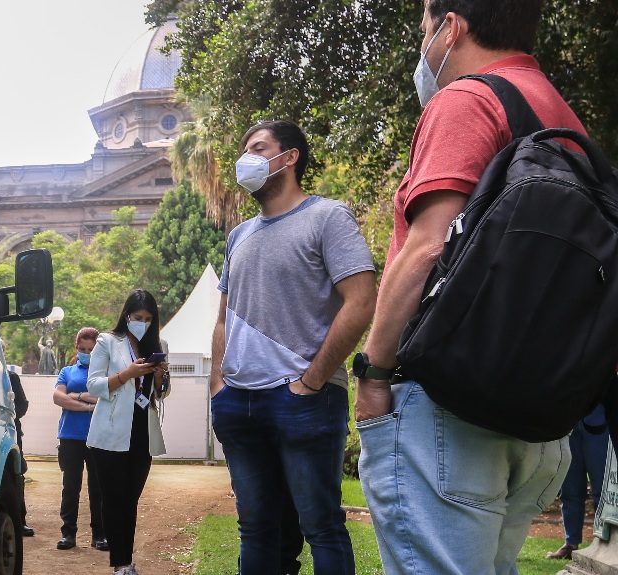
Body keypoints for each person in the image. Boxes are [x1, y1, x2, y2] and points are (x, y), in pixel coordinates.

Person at [354, 1, 585, 572]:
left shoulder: (467, 98)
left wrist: (375, 372)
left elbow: (428, 247)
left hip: (447, 411)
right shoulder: (563, 118)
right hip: (537, 417)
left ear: (451, 28)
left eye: (425, 29)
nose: (423, 44)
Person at [210, 120, 376, 575]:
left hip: (303, 400)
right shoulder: (238, 236)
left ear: (290, 157)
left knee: (321, 524)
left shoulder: (328, 217)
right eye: (244, 149)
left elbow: (361, 301)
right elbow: (224, 317)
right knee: (256, 528)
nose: (247, 158)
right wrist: (218, 385)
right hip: (238, 403)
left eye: (259, 148)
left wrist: (311, 381)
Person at [87, 289, 171, 575]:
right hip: (110, 432)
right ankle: (121, 564)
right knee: (113, 499)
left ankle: (126, 560)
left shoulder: (159, 345)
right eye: (138, 317)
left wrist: (160, 377)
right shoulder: (108, 342)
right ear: (126, 316)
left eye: (149, 319)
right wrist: (127, 375)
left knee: (130, 500)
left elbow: (161, 393)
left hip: (142, 432)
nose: (143, 323)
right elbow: (94, 385)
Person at [52, 327, 107, 552]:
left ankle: (99, 535)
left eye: (91, 349)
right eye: (82, 349)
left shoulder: (104, 373)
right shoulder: (67, 371)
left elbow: (106, 396)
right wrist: (87, 402)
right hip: (70, 437)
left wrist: (72, 396)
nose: (86, 352)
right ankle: (68, 534)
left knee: (98, 489)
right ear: (77, 347)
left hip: (98, 437)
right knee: (70, 487)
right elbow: (58, 397)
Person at [547, 406, 608, 560]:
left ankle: (604, 542)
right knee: (569, 489)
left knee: (602, 490)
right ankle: (571, 543)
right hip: (568, 423)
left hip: (600, 422)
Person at [9, 367, 36, 538]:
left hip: (11, 432)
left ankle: (20, 520)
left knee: (17, 474)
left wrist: (9, 414)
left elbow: (23, 404)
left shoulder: (11, 377)